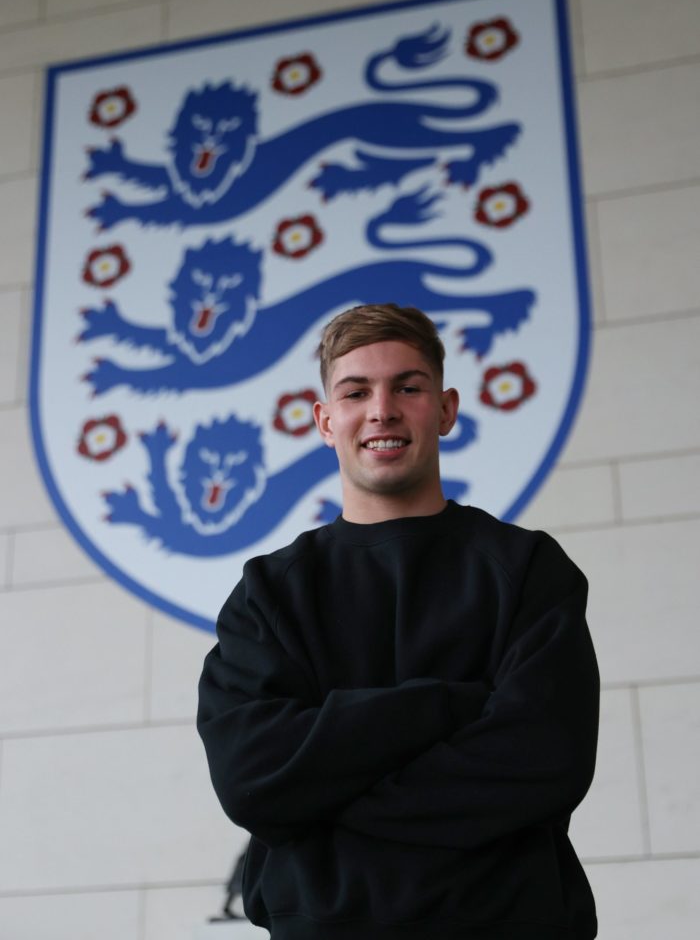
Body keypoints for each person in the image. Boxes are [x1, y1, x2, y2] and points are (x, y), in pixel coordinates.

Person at [198, 303, 599, 940]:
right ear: (327, 422)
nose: (381, 409)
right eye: (356, 392)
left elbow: (547, 761)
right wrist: (447, 707)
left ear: (444, 409)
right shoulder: (269, 594)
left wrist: (328, 798)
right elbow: (252, 776)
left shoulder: (526, 570)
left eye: (407, 387)